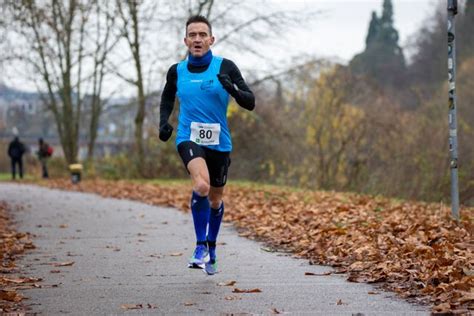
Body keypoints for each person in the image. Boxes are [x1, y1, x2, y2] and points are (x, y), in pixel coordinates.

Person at [159, 15, 255, 275]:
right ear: (185, 40)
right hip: (188, 137)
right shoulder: (176, 71)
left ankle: (212, 247)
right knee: (201, 186)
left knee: (215, 199)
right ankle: (200, 246)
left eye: (202, 35)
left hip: (219, 143)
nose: (197, 39)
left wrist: (232, 90)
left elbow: (250, 101)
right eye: (193, 35)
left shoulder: (226, 67)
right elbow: (167, 96)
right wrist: (163, 122)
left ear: (211, 39)